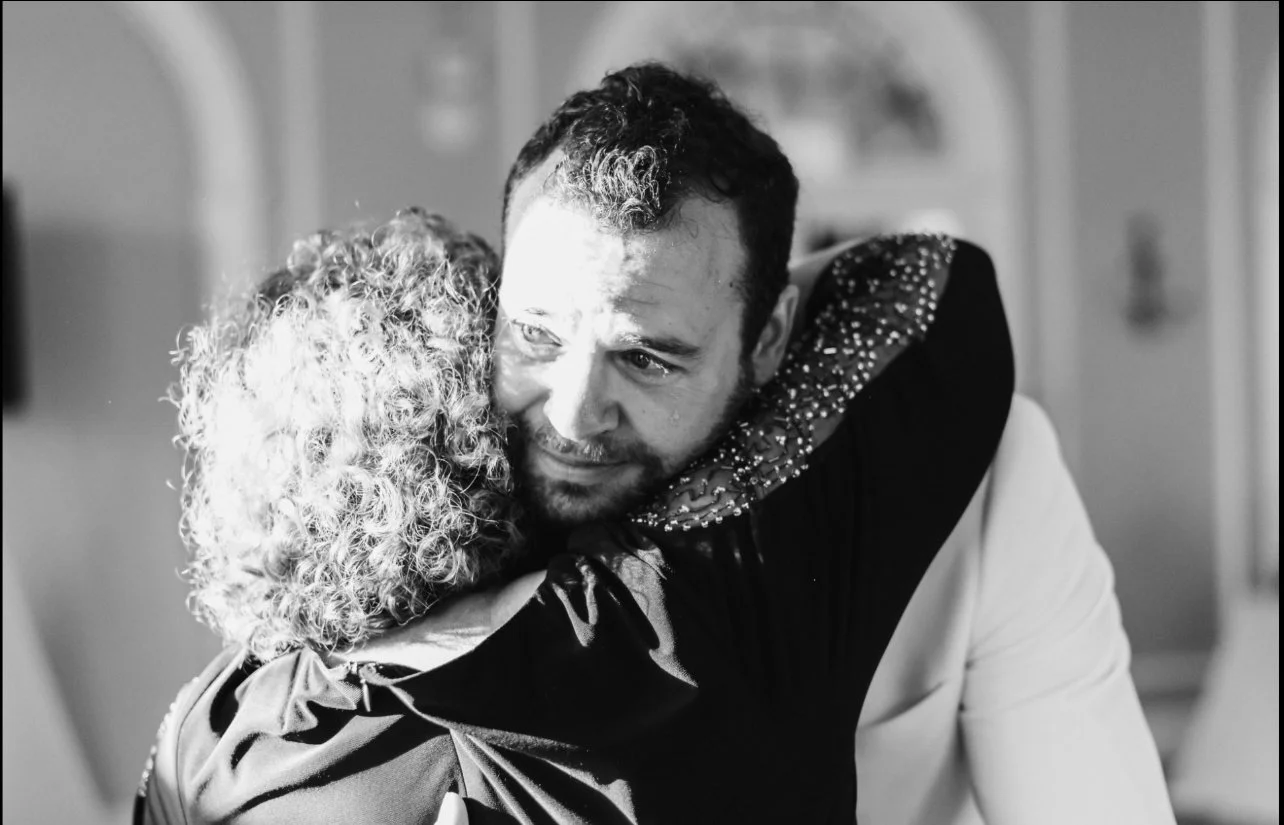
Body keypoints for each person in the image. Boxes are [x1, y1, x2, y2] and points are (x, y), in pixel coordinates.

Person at [133, 200, 1015, 823]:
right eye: (536, 345)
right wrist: (739, 321)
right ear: (475, 445)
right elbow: (928, 283)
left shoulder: (206, 727)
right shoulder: (647, 630)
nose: (568, 405)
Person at [494, 63, 1176, 824]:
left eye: (647, 357)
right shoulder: (405, 480)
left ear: (769, 338)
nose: (574, 415)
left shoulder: (994, 474)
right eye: (536, 333)